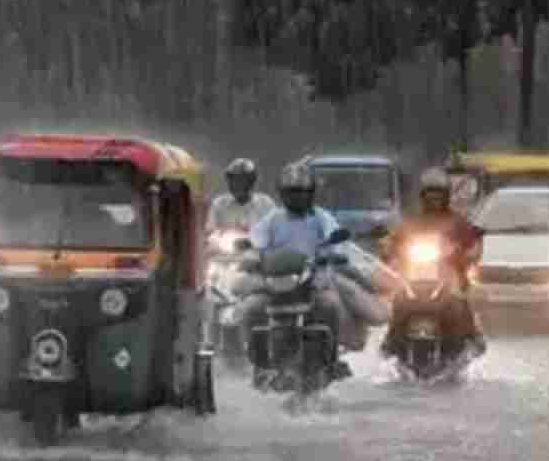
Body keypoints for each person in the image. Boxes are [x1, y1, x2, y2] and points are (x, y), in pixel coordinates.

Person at [237, 162, 352, 380]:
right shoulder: (273, 218)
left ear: (311, 193)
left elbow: (336, 237)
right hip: (275, 283)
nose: (297, 197)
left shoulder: (321, 217)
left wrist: (333, 253)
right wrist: (250, 252)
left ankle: (332, 359)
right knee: (251, 309)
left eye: (302, 192)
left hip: (312, 282)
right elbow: (256, 238)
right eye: (292, 193)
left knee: (331, 306)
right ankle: (256, 362)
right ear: (282, 194)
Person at [379, 167, 487, 358]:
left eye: (438, 195)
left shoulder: (457, 222)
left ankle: (471, 334)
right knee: (399, 298)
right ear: (423, 197)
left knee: (457, 300)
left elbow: (473, 244)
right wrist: (388, 247)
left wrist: (468, 253)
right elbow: (394, 239)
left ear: (446, 197)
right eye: (430, 195)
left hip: (448, 274)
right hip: (415, 275)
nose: (434, 199)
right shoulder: (412, 222)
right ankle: (392, 338)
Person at [207, 158, 278, 238]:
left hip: (258, 247)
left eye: (241, 180)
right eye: (233, 180)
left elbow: (275, 230)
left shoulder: (265, 203)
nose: (236, 184)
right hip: (226, 247)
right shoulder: (219, 204)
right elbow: (211, 231)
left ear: (251, 182)